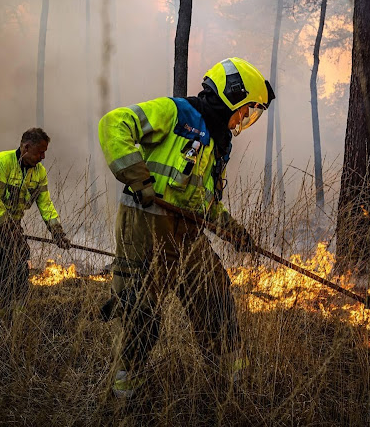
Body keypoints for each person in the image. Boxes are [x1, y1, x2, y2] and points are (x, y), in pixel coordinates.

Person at [98, 57, 275, 398]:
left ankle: (234, 378)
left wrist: (233, 230)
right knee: (141, 311)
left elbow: (204, 203)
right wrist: (138, 177)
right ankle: (123, 390)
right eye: (246, 110)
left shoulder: (218, 143)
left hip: (186, 234)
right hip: (145, 227)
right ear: (231, 95)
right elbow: (113, 124)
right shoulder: (176, 112)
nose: (244, 119)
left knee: (215, 291)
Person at [0, 128, 73, 315]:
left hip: (12, 225)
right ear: (26, 147)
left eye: (45, 152)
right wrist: (7, 231)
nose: (42, 157)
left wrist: (57, 232)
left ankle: (16, 314)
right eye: (40, 152)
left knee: (19, 266)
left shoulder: (39, 173)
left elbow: (46, 204)